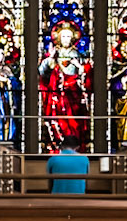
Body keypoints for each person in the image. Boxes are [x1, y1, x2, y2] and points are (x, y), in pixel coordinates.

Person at [38, 19, 92, 148]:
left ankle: (75, 144)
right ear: (59, 38)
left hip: (74, 95)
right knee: (58, 120)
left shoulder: (78, 55)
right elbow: (42, 73)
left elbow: (86, 74)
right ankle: (57, 144)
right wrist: (50, 60)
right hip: (57, 95)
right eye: (64, 36)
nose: (66, 39)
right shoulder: (54, 54)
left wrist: (79, 66)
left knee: (74, 122)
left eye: (69, 36)